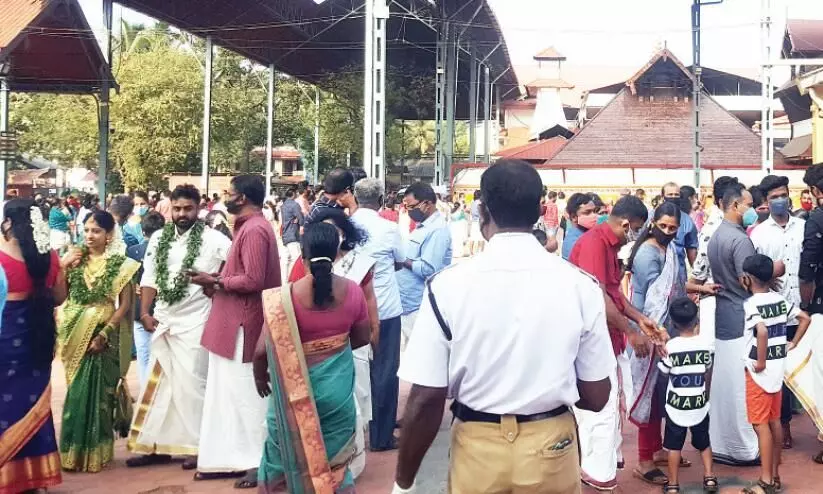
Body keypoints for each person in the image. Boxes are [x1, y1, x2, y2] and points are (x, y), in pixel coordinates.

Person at [393, 160, 614, 494]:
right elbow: (597, 396)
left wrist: (404, 483)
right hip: (552, 443)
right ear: (541, 210)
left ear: (482, 211)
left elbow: (425, 397)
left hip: (477, 445)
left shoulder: (448, 286)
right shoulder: (581, 286)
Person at [253, 222, 370, 493]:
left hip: (290, 395)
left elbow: (260, 351)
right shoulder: (352, 291)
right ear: (338, 254)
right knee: (335, 463)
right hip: (336, 394)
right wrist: (333, 350)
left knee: (281, 459)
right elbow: (363, 338)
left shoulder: (283, 298)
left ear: (302, 256)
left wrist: (260, 377)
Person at [126, 184, 232, 470]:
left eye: (187, 208)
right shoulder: (159, 238)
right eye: (177, 208)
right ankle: (155, 445)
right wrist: (145, 313)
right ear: (169, 208)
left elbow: (233, 267)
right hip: (162, 318)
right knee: (159, 384)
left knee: (193, 383)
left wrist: (216, 282)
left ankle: (198, 446)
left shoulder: (214, 240)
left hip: (197, 320)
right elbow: (148, 278)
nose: (182, 214)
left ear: (199, 208)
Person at [191, 175, 280, 489]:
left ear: (241, 197)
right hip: (231, 321)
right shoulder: (249, 226)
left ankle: (258, 461)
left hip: (244, 324)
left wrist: (216, 282)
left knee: (247, 398)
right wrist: (215, 278)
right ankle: (228, 457)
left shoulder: (255, 230)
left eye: (228, 192)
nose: (224, 196)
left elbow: (254, 281)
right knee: (227, 395)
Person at [570, 195, 661, 490]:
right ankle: (597, 479)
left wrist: (639, 319)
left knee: (613, 410)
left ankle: (603, 472)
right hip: (594, 343)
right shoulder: (595, 244)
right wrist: (631, 331)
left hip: (610, 340)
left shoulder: (608, 245)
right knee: (600, 413)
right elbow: (598, 299)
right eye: (636, 230)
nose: (635, 237)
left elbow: (614, 293)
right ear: (626, 224)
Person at [288, 205, 378, 476]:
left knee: (354, 401)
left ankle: (315, 470)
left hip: (339, 353)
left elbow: (370, 302)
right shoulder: (302, 273)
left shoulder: (359, 265)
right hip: (340, 354)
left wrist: (375, 332)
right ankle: (339, 471)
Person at [58, 210, 140, 472]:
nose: (90, 236)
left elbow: (125, 304)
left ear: (109, 235)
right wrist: (63, 265)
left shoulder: (121, 264)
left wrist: (105, 332)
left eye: (96, 231)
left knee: (100, 397)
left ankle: (97, 454)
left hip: (104, 335)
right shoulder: (74, 260)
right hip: (73, 332)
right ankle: (71, 454)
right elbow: (61, 296)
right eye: (87, 230)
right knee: (76, 395)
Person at [0, 200, 66, 492]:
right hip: (39, 340)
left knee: (5, 405)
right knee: (34, 404)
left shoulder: (1, 258)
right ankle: (33, 478)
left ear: (8, 223)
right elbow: (60, 297)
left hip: (6, 341)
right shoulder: (49, 257)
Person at [741, 254, 810, 494]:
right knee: (775, 422)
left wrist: (759, 361)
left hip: (758, 373)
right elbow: (804, 318)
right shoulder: (780, 300)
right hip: (777, 369)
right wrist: (793, 343)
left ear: (747, 279)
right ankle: (776, 475)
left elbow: (760, 331)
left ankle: (765, 481)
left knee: (761, 426)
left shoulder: (751, 304)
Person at [706, 182, 762, 466]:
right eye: (749, 204)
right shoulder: (740, 240)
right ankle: (742, 448)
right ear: (735, 205)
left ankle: (720, 442)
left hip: (724, 314)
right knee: (741, 386)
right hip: (740, 316)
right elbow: (748, 280)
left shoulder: (718, 235)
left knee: (724, 384)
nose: (752, 209)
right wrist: (771, 271)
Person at [351, 178, 406, 453]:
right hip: (385, 308)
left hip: (353, 308)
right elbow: (400, 259)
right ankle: (382, 435)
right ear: (382, 199)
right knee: (385, 371)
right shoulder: (388, 228)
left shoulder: (345, 226)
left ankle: (358, 433)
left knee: (358, 370)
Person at [750, 175, 805, 449]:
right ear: (765, 202)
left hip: (802, 307)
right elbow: (753, 271)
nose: (779, 200)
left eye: (783, 194)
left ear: (789, 195)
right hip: (774, 313)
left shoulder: (804, 228)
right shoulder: (759, 234)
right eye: (773, 197)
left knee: (808, 366)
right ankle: (783, 425)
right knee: (777, 371)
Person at [657, 297, 717, 494]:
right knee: (704, 442)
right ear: (696, 320)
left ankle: (673, 484)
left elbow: (664, 372)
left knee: (674, 447)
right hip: (699, 403)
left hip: (677, 405)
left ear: (673, 323)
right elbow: (707, 369)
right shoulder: (705, 344)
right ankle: (709, 478)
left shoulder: (671, 347)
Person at [396, 182, 452, 343]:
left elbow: (428, 269)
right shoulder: (423, 227)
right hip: (407, 303)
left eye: (412, 206)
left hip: (419, 306)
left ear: (427, 203)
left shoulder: (438, 230)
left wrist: (402, 259)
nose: (409, 211)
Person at [126, 211, 166, 386]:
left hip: (139, 309)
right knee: (161, 353)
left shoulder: (132, 251)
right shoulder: (168, 251)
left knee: (143, 354)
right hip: (162, 308)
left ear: (143, 231)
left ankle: (144, 391)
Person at [661, 182, 698, 271]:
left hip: (678, 272)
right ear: (663, 196)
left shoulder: (687, 220)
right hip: (656, 271)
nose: (673, 197)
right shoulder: (652, 216)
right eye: (670, 194)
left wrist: (697, 273)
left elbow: (691, 249)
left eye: (676, 195)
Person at [561, 192, 597, 259]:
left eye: (595, 211)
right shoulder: (574, 243)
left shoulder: (586, 235)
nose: (594, 215)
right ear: (574, 217)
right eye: (587, 212)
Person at [280, 188, 305, 275]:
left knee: (285, 260)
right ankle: (294, 279)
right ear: (294, 194)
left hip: (285, 234)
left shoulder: (283, 205)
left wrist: (296, 219)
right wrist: (299, 220)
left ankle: (284, 281)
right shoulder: (294, 205)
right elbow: (301, 218)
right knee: (296, 259)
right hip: (293, 233)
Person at [468, 190, 484, 254]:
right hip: (479, 221)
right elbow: (481, 213)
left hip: (473, 221)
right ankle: (481, 251)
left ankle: (471, 251)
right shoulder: (480, 203)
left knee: (473, 237)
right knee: (480, 237)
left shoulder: (473, 203)